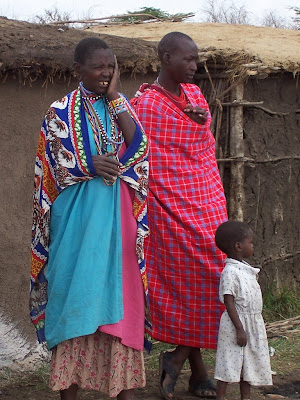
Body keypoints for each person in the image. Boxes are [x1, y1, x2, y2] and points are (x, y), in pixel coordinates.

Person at [29, 37, 151, 400]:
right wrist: (86, 164)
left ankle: (123, 390)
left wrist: (116, 98)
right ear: (78, 69)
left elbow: (141, 148)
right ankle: (69, 392)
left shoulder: (121, 105)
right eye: (98, 67)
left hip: (118, 217)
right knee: (74, 296)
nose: (106, 73)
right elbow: (48, 164)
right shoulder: (59, 111)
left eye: (111, 66)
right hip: (76, 220)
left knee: (122, 296)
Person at [131, 32, 228, 399]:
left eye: (196, 59)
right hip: (168, 207)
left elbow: (203, 146)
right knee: (189, 283)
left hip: (204, 200)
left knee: (217, 274)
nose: (193, 66)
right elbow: (143, 157)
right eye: (187, 60)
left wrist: (200, 121)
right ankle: (198, 373)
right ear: (165, 56)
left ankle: (180, 359)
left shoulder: (195, 95)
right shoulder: (147, 105)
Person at [214, 221, 273, 400]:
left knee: (249, 363)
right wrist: (239, 328)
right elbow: (228, 300)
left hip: (252, 323)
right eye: (251, 242)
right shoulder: (230, 272)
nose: (253, 245)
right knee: (228, 362)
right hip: (235, 325)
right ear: (239, 246)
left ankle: (245, 397)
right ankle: (221, 396)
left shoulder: (246, 270)